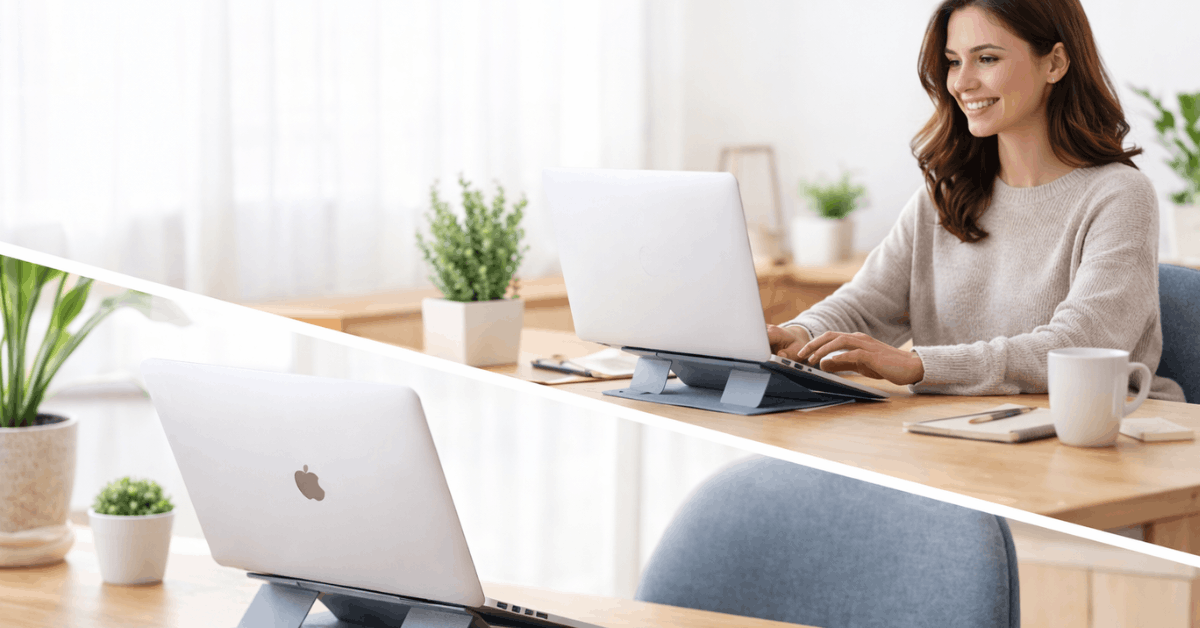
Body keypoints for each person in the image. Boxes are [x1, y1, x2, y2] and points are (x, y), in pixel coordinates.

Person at [767, 0, 1185, 401]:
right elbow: (866, 305)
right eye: (953, 61)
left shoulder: (1119, 196)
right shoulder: (947, 196)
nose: (961, 83)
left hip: (1092, 441)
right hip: (959, 439)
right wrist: (802, 333)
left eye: (986, 59)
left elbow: (1079, 347)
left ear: (1055, 63)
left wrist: (919, 365)